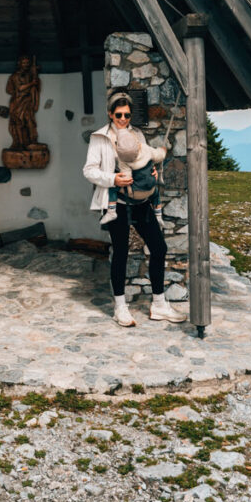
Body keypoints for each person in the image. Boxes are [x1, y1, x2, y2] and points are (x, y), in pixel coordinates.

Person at [83, 90, 187, 327]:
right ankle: (120, 307)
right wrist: (113, 179)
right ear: (110, 114)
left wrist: (151, 171)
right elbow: (89, 170)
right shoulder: (99, 138)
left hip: (141, 202)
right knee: (120, 252)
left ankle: (159, 304)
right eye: (118, 114)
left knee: (158, 247)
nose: (123, 119)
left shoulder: (137, 134)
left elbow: (145, 159)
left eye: (127, 115)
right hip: (116, 203)